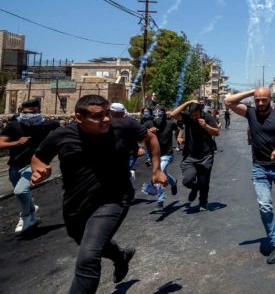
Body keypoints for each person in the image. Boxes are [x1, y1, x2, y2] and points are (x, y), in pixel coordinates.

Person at [31, 95, 166, 293]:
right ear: (79, 117)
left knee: (88, 256)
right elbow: (39, 157)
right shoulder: (61, 136)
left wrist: (156, 169)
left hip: (114, 198)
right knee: (85, 241)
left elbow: (150, 138)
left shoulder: (123, 126)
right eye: (98, 116)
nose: (106, 120)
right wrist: (41, 170)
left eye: (107, 114)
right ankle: (120, 256)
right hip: (75, 203)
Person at [225, 87, 275, 264]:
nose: (260, 103)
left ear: (270, 99)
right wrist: (252, 91)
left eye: (263, 99)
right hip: (259, 168)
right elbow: (228, 102)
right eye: (257, 99)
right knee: (265, 207)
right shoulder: (250, 113)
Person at [0, 98, 60, 232]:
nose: (30, 116)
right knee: (21, 194)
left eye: (34, 113)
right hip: (14, 166)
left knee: (20, 191)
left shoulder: (48, 125)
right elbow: (1, 143)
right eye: (27, 113)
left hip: (33, 165)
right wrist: (16, 143)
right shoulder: (14, 126)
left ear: (39, 111)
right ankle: (32, 212)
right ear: (21, 111)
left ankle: (25, 217)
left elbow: (61, 136)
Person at [169, 100, 220, 211]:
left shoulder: (208, 117)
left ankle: (203, 203)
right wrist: (188, 102)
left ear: (200, 111)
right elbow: (173, 114)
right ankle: (195, 188)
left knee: (204, 181)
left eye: (195, 114)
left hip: (206, 155)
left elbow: (216, 132)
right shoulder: (188, 117)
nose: (194, 117)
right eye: (192, 115)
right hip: (190, 155)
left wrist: (205, 126)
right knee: (187, 180)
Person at [143, 110, 181, 208]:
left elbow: (179, 130)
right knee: (162, 173)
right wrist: (148, 132)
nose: (158, 121)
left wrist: (179, 137)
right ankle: (173, 182)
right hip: (155, 155)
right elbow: (139, 136)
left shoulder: (170, 123)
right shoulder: (148, 124)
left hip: (167, 154)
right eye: (156, 119)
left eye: (160, 118)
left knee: (159, 172)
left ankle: (160, 199)